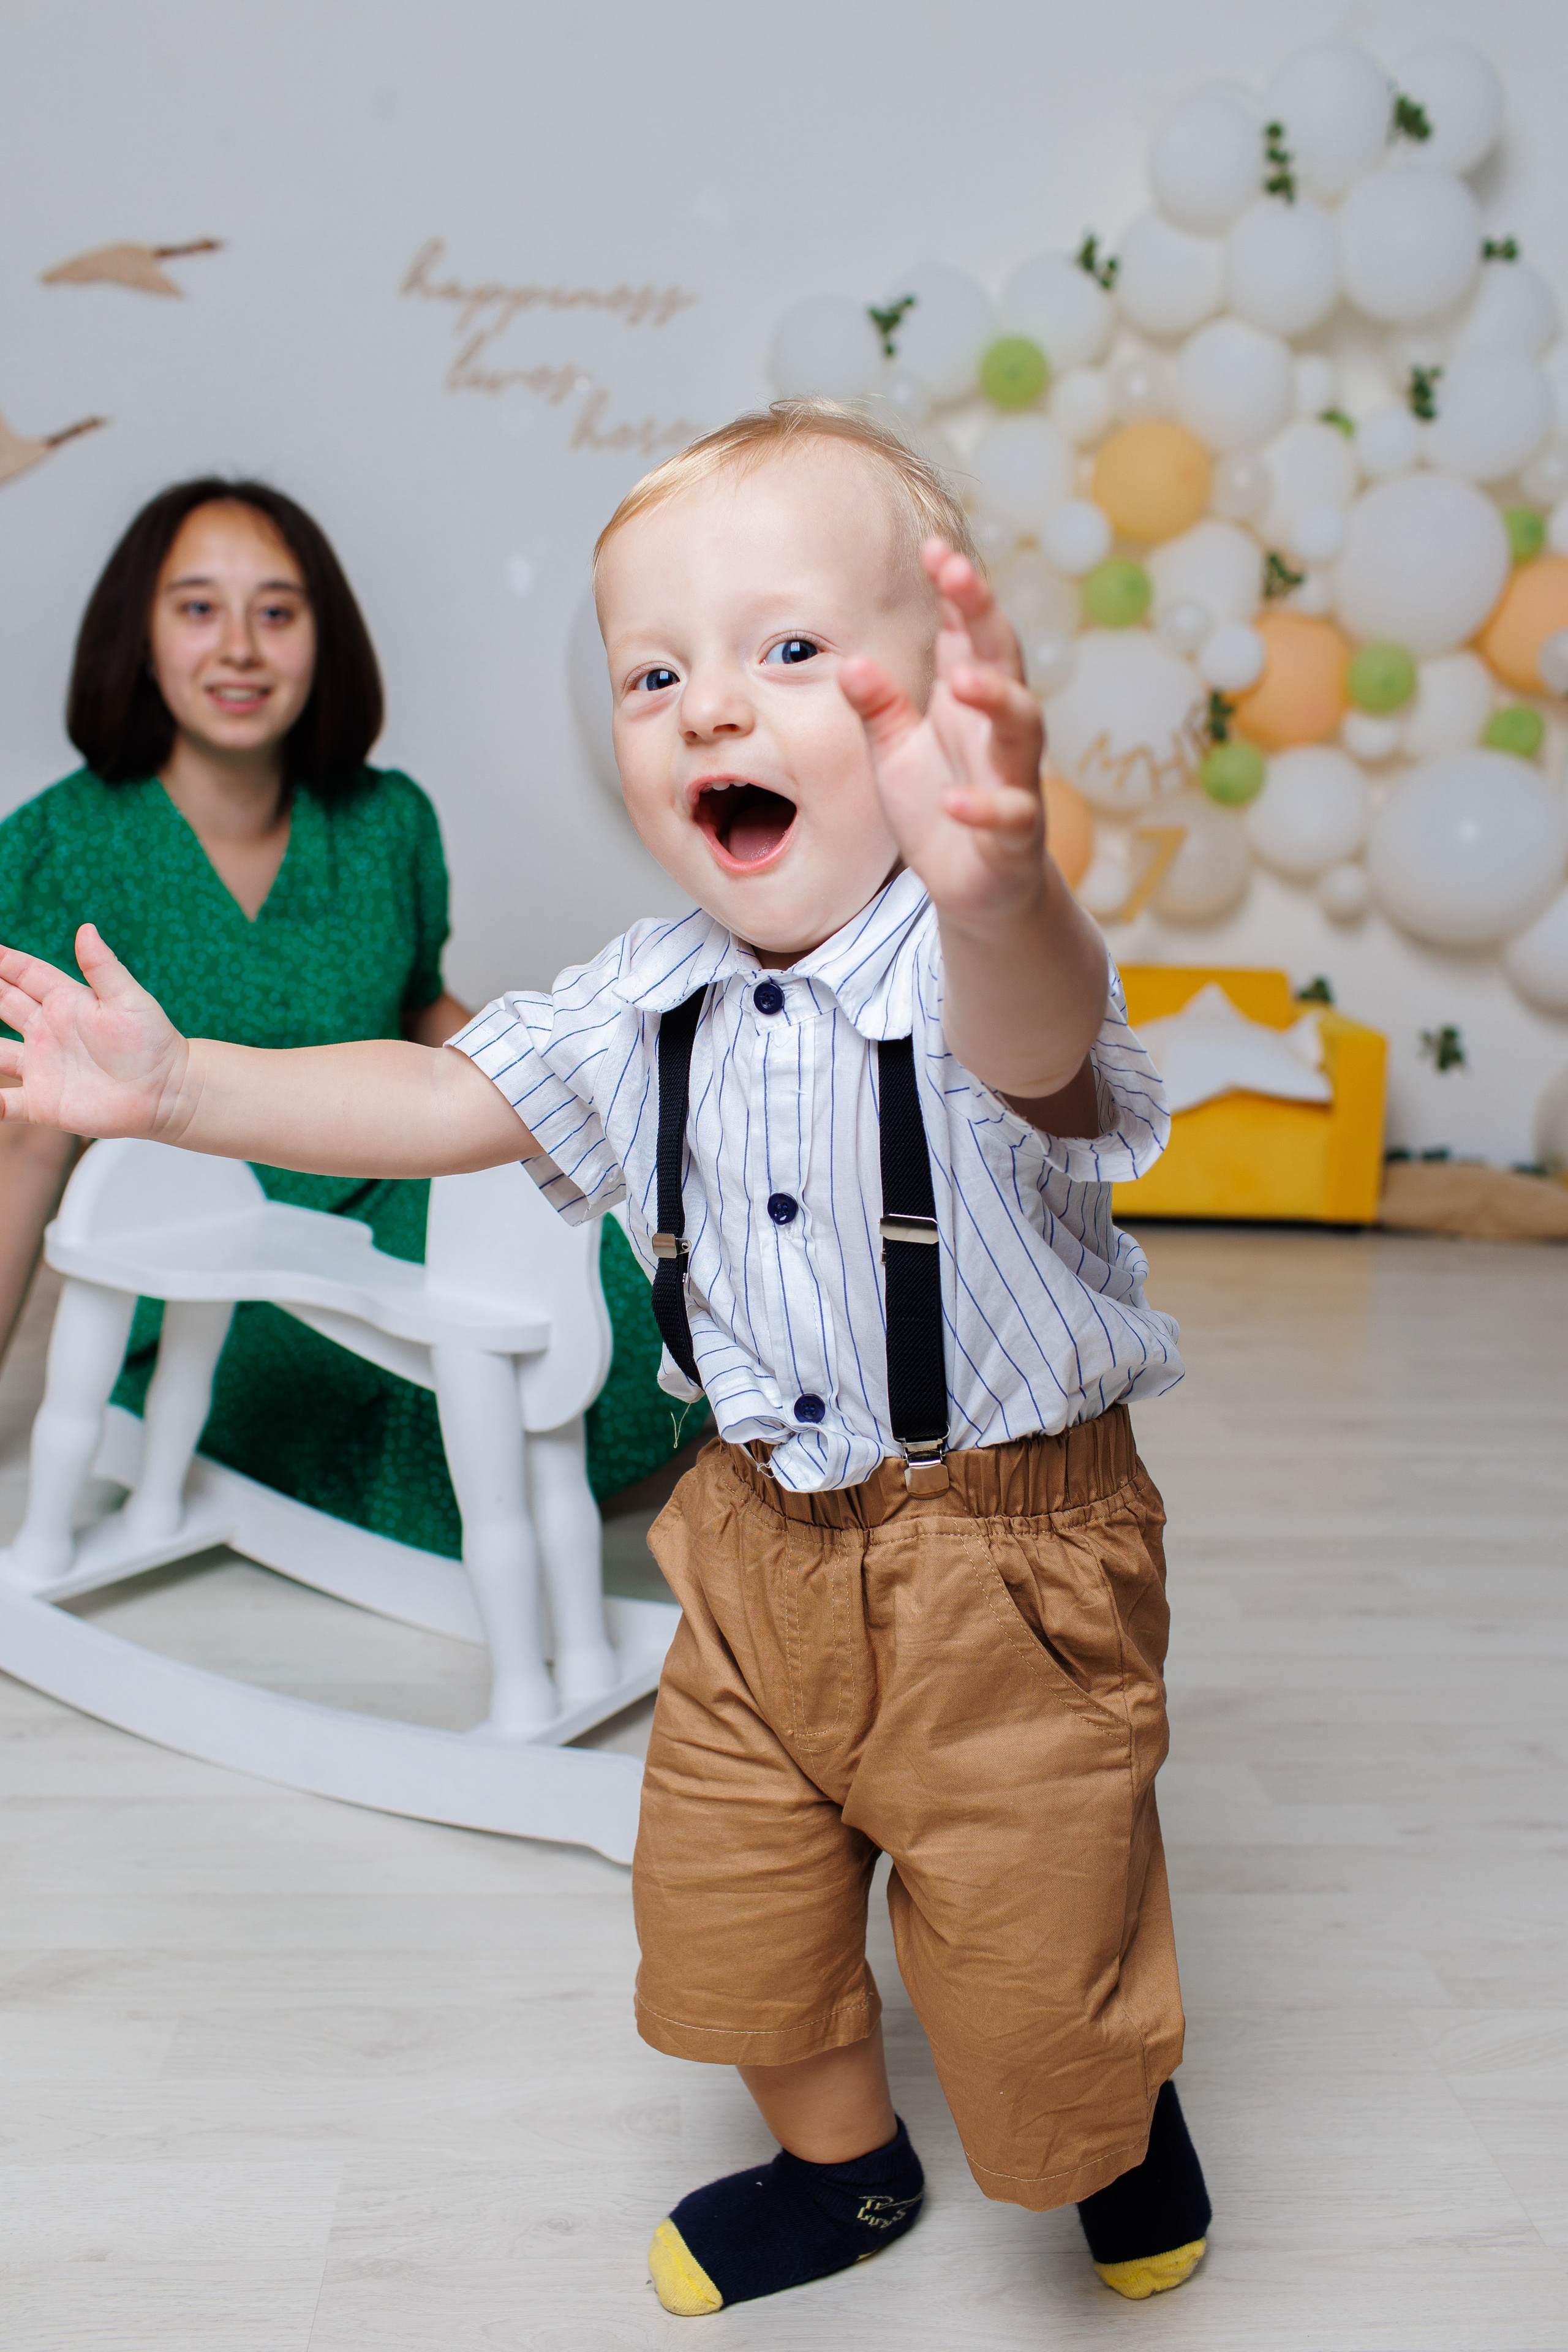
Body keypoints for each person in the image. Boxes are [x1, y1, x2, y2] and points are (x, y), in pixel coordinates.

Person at [0, 401, 1211, 2316]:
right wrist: (182, 1089)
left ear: (946, 702)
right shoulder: (647, 995)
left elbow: (1042, 1034)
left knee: (1033, 1947)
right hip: (752, 1548)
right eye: (654, 673)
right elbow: (429, 1084)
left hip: (1008, 1566)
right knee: (734, 1916)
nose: (710, 710)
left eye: (791, 652)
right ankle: (844, 2170)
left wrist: (1008, 885)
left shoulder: (972, 955)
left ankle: (1116, 2119)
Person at [0, 478, 701, 1555]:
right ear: (138, 636)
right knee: (430, 1418)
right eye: (197, 609)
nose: (240, 646)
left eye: (277, 612)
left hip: (395, 1199)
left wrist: (613, 1122)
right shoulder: (57, 846)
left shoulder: (387, 822)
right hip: (206, 1272)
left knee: (629, 1319)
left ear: (323, 640)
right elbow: (24, 1142)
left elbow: (427, 1014)